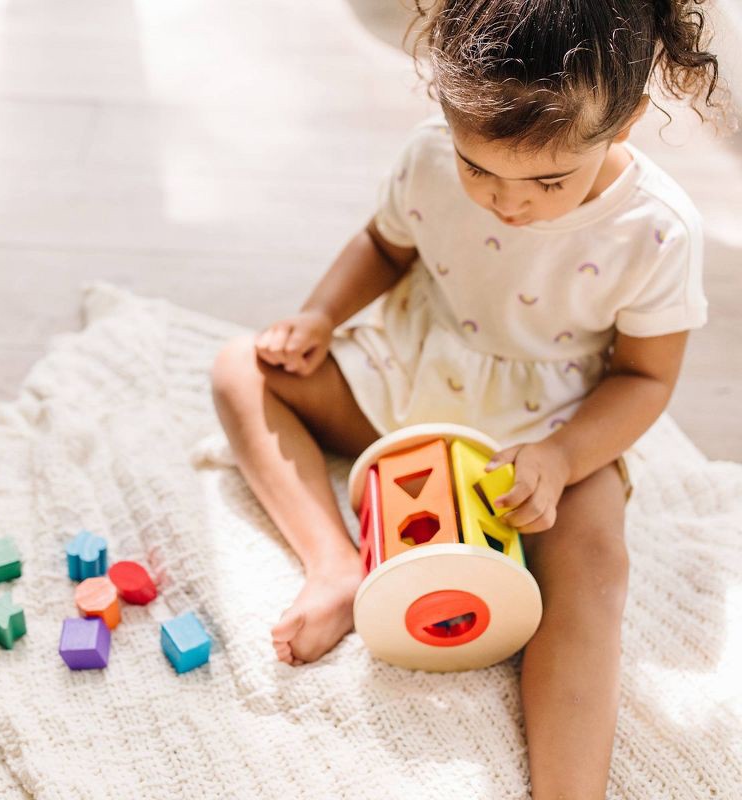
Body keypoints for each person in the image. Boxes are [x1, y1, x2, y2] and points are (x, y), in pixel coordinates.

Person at [211, 2, 724, 796]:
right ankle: (335, 564)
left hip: (550, 426)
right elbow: (384, 245)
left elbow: (645, 379)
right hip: (412, 375)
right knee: (239, 370)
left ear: (624, 126)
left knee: (594, 569)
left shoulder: (655, 230)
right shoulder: (426, 158)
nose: (506, 203)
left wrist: (562, 457)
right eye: (477, 167)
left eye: (548, 180)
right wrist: (319, 316)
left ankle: (569, 787)